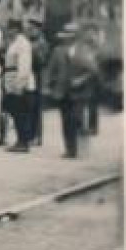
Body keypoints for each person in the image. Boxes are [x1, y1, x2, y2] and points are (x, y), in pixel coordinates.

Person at [41, 23, 93, 158]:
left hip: (79, 92)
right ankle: (70, 149)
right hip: (61, 91)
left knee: (76, 118)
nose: (67, 38)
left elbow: (93, 71)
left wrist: (81, 79)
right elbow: (50, 70)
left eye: (70, 35)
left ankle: (80, 147)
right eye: (66, 35)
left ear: (75, 37)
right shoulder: (58, 51)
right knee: (66, 121)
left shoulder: (84, 50)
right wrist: (46, 86)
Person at [0, 19, 36, 151]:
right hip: (11, 80)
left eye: (10, 28)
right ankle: (20, 140)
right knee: (16, 113)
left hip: (20, 82)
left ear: (16, 29)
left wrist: (20, 84)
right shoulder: (14, 42)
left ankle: (23, 142)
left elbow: (24, 66)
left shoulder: (22, 43)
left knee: (21, 113)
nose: (8, 31)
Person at [27, 18, 51, 146]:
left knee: (35, 107)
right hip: (32, 76)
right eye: (29, 29)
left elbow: (42, 61)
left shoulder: (42, 43)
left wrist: (33, 51)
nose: (30, 31)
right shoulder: (32, 42)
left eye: (32, 29)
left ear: (39, 29)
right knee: (30, 107)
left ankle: (36, 136)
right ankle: (32, 135)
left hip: (38, 77)